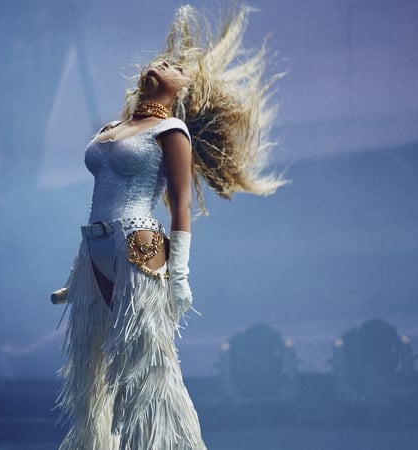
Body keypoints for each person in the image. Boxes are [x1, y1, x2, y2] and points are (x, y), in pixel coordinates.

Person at [53, 4, 286, 449]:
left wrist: (179, 276)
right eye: (161, 60)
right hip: (94, 250)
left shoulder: (173, 130)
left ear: (182, 89)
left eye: (175, 66)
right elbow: (100, 198)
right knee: (89, 373)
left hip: (138, 247)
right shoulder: (113, 127)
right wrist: (76, 276)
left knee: (146, 370)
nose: (163, 63)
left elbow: (181, 204)